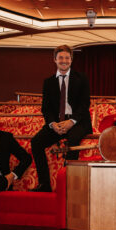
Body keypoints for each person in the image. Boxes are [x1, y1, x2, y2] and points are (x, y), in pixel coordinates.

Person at [30, 44, 92, 192]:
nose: (64, 60)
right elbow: (46, 108)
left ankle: (67, 184)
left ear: (71, 60)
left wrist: (71, 121)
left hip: (78, 121)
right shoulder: (48, 82)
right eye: (60, 58)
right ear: (55, 60)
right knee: (36, 142)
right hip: (57, 122)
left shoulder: (82, 78)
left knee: (73, 139)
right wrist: (52, 124)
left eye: (67, 58)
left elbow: (84, 104)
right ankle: (44, 184)